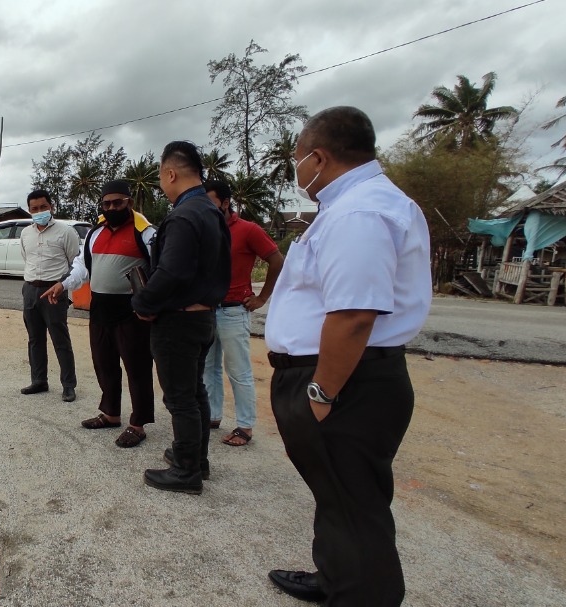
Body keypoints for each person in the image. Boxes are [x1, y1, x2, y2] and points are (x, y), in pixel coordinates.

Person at [264, 106, 431, 605]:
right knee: (340, 494)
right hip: (344, 380)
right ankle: (335, 576)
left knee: (356, 506)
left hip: (345, 383)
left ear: (318, 156)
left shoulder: (361, 211)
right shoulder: (356, 204)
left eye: (297, 160)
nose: (297, 172)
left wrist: (321, 392)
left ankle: (358, 593)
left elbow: (354, 315)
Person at [132, 141, 230, 495]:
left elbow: (170, 273)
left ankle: (186, 471)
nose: (161, 184)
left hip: (178, 322)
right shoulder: (210, 210)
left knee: (180, 398)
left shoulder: (184, 216)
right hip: (204, 318)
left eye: (161, 176)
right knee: (195, 391)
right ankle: (196, 459)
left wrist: (143, 302)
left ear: (171, 173)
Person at [43, 180, 156, 448]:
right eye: (107, 203)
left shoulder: (146, 232)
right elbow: (81, 266)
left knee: (137, 366)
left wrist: (153, 305)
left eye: (118, 202)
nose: (112, 207)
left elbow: (160, 268)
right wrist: (63, 284)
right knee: (103, 362)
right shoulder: (96, 232)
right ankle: (111, 413)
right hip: (101, 308)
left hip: (132, 310)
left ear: (129, 202)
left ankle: (138, 424)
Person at [201, 179, 284, 446]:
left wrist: (262, 297)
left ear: (225, 203)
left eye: (210, 202)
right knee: (208, 368)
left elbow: (276, 259)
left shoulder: (248, 230)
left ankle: (245, 426)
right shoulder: (205, 231)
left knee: (238, 371)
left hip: (234, 310)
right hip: (207, 310)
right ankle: (213, 415)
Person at [19, 189, 81, 402]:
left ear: (51, 207)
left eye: (43, 207)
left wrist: (62, 285)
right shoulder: (26, 233)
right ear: (29, 210)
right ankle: (39, 380)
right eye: (34, 209)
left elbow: (76, 263)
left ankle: (69, 385)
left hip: (54, 292)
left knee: (60, 339)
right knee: (35, 339)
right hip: (30, 290)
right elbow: (26, 258)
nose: (39, 212)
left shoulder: (66, 232)